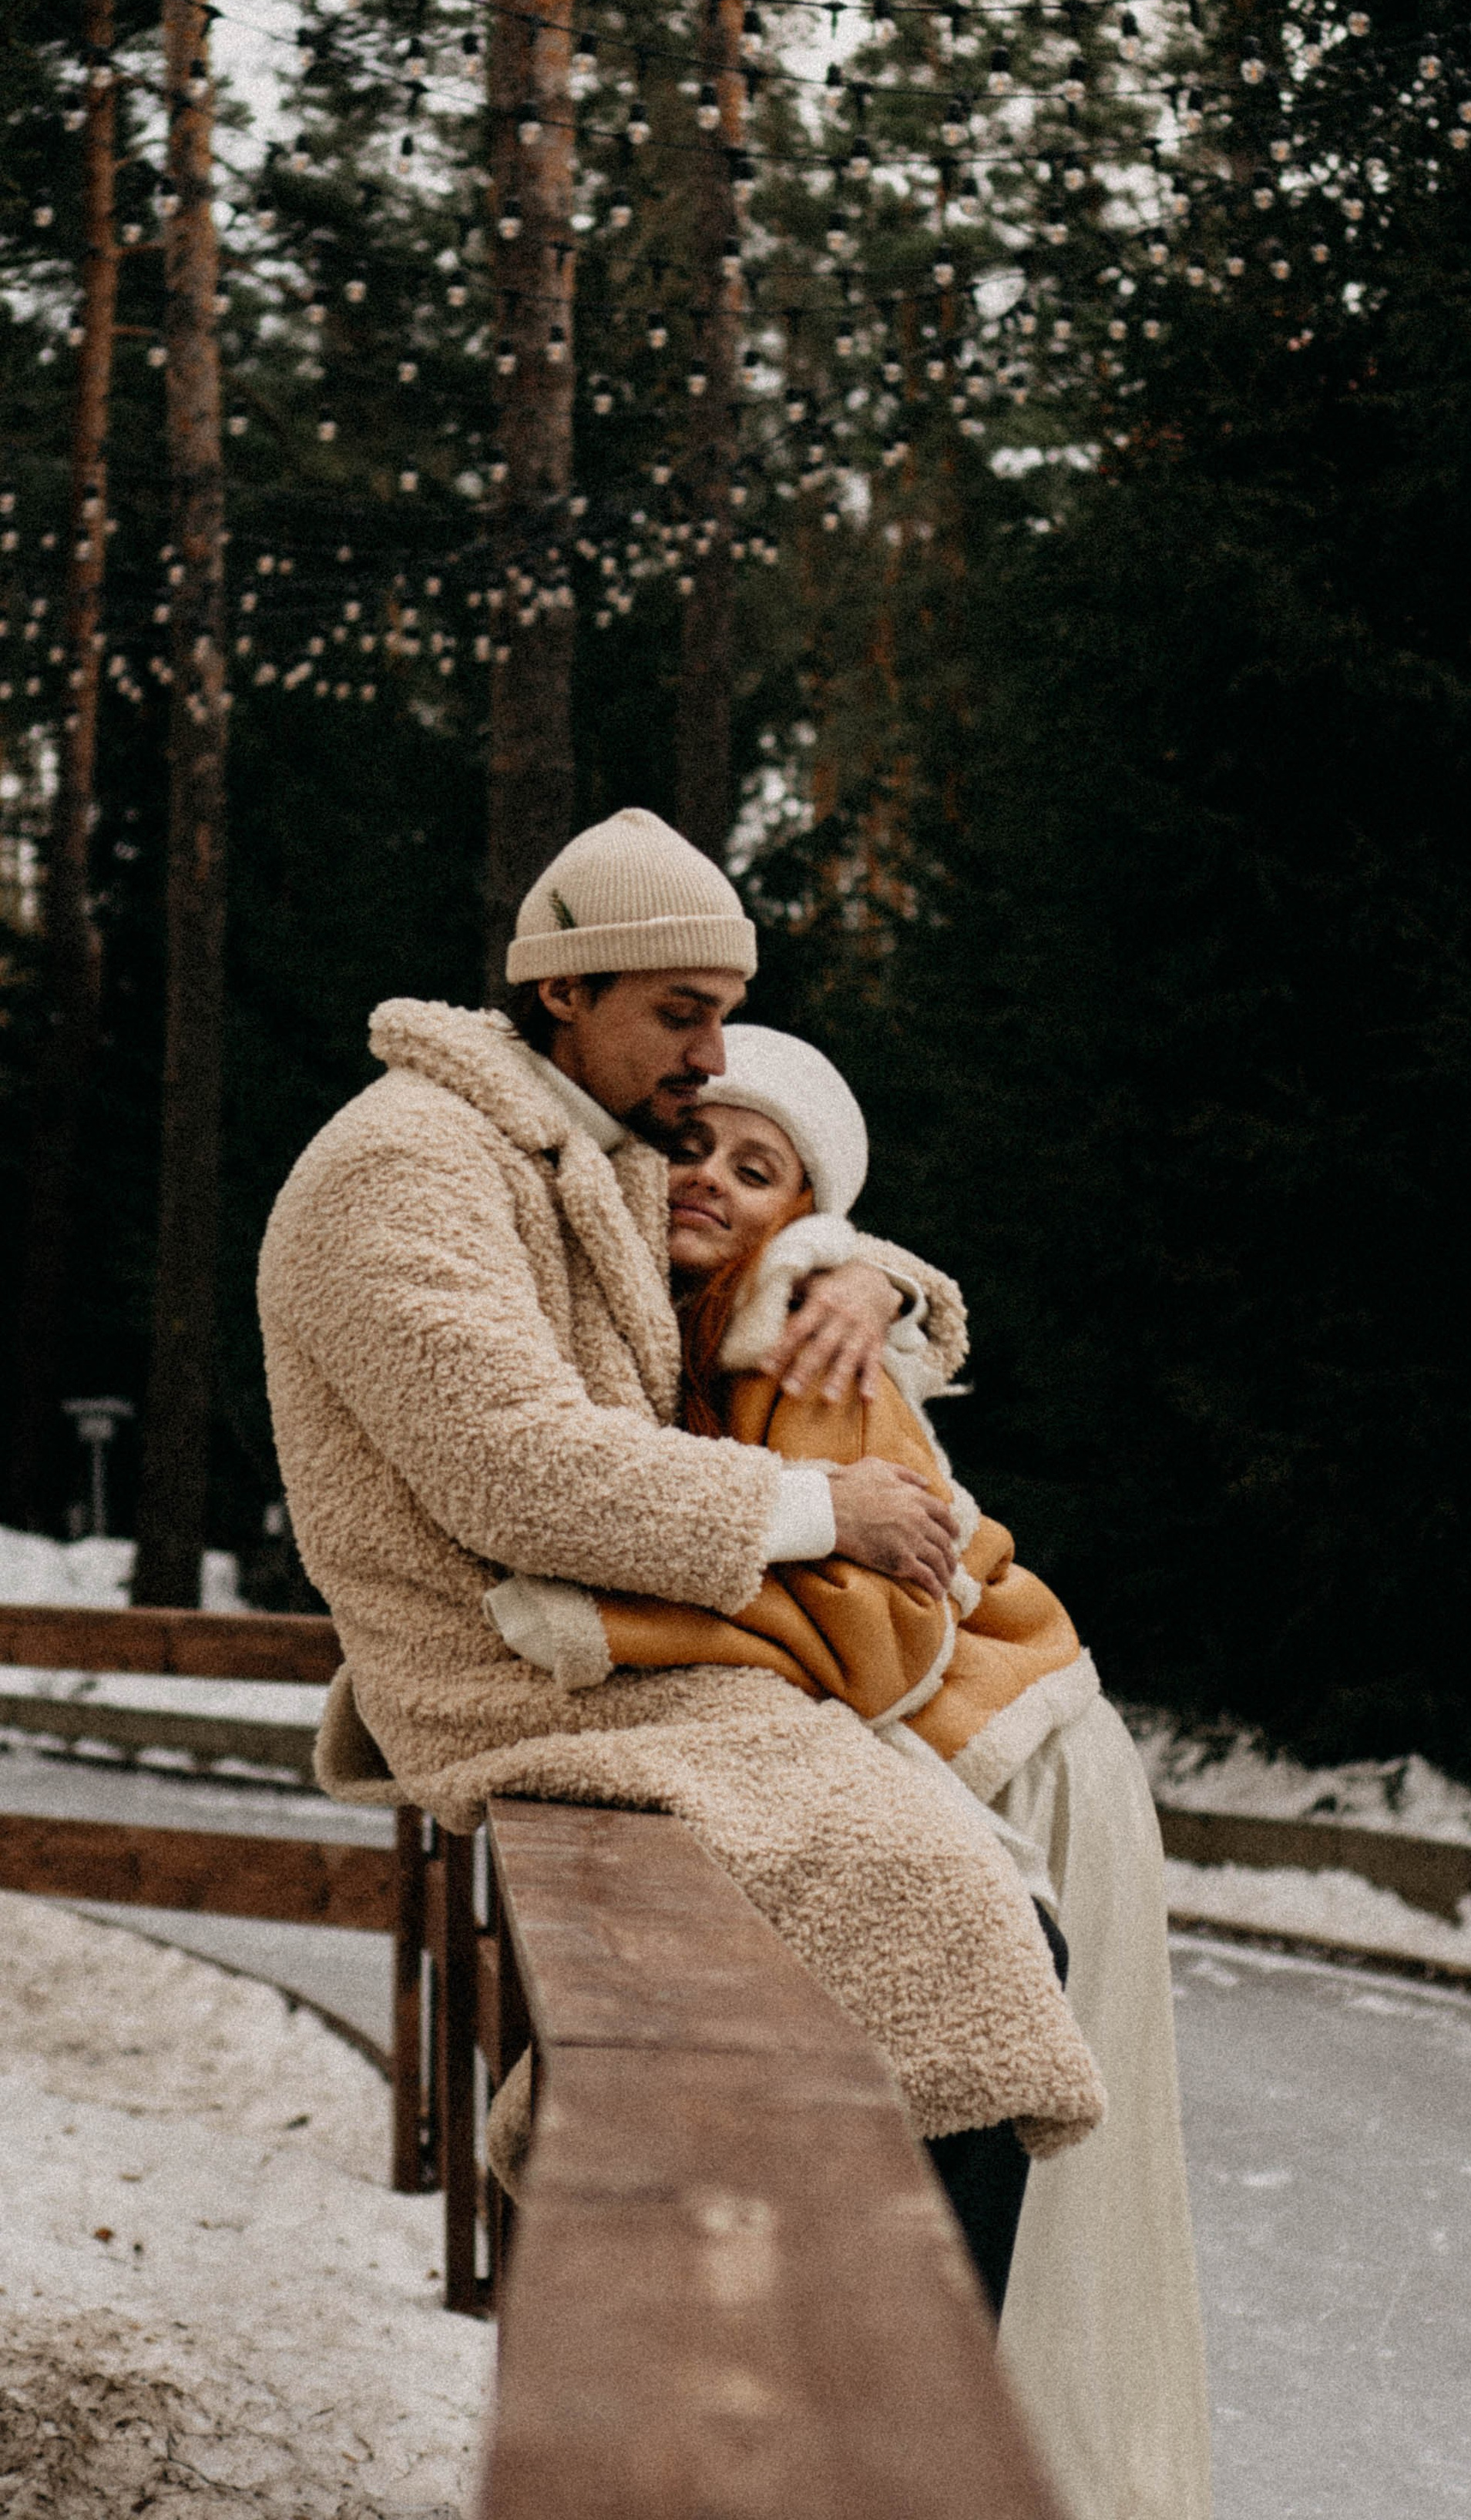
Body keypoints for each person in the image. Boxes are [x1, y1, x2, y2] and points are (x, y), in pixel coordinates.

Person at [257, 808, 1105, 2243]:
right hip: (518, 1670)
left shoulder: (573, 1150)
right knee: (976, 1947)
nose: (713, 1058)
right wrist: (821, 1507)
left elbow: (762, 1230)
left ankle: (857, 2386)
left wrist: (875, 1278)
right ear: (563, 992)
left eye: (724, 1018)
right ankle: (885, 2416)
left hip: (639, 1656)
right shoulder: (406, 1165)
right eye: (683, 1014)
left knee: (990, 1945)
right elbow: (512, 1469)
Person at [487, 1022, 1214, 2520]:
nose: (707, 1180)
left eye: (757, 1170)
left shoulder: (800, 1317)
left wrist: (594, 1622)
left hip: (1022, 1761)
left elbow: (875, 1636)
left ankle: (994, 2474)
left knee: (1066, 2187)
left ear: (810, 1213)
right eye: (693, 1144)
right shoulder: (674, 1317)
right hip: (942, 1756)